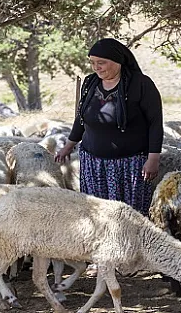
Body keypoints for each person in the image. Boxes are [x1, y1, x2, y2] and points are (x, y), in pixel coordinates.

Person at [55, 37, 163, 216]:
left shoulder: (141, 84)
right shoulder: (90, 83)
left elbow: (155, 123)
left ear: (118, 61)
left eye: (101, 63)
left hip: (129, 166)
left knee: (130, 216)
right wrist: (68, 146)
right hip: (93, 164)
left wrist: (153, 159)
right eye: (92, 63)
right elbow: (82, 119)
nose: (96, 67)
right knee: (97, 214)